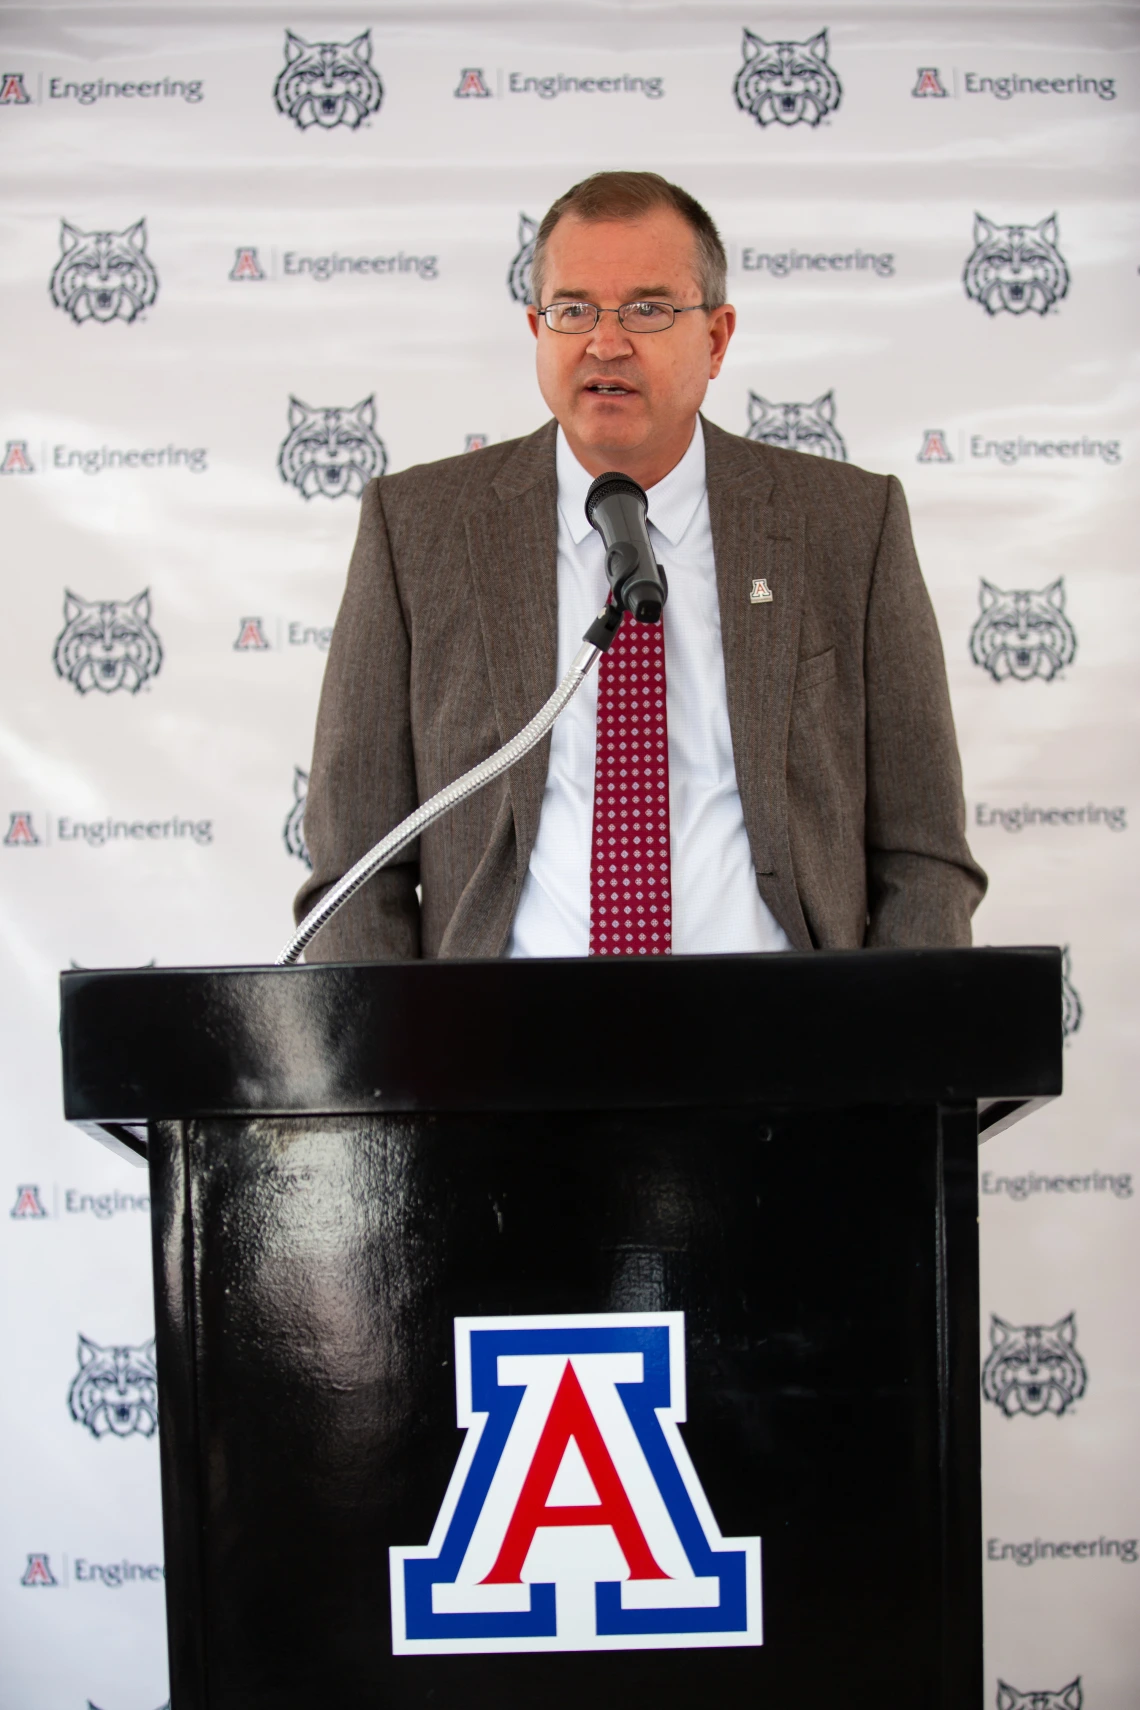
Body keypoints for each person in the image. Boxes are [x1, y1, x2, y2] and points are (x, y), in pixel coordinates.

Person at [296, 171, 985, 960]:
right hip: (506, 1056)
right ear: (537, 329)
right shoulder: (417, 530)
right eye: (573, 309)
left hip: (782, 1054)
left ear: (718, 337)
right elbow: (356, 868)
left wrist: (884, 1062)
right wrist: (406, 1074)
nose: (606, 341)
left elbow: (923, 853)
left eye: (649, 310)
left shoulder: (846, 526)